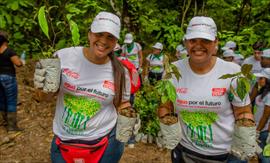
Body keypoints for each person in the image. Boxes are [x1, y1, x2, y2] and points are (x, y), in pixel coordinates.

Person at [161, 16, 261, 163]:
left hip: (227, 154)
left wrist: (246, 136)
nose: (198, 45)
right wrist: (167, 125)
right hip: (185, 152)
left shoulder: (233, 72)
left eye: (205, 41)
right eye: (193, 40)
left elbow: (243, 111)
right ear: (185, 42)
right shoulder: (172, 71)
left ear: (215, 43)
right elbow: (166, 106)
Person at [35, 11, 131, 163]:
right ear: (89, 34)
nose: (103, 41)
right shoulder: (64, 56)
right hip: (64, 141)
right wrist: (43, 86)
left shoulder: (121, 71)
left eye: (110, 37)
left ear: (116, 42)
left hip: (106, 144)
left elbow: (123, 103)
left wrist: (129, 119)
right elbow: (43, 98)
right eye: (99, 34)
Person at [0, 32, 23, 132]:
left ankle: (4, 121)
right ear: (5, 41)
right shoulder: (9, 51)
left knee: (1, 100)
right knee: (11, 101)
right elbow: (18, 64)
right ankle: (12, 127)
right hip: (8, 78)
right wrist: (22, 61)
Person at [253, 68, 270, 163]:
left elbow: (266, 116)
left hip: (264, 131)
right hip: (258, 127)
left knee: (265, 157)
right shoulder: (263, 92)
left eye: (261, 78)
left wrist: (257, 131)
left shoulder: (269, 95)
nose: (258, 80)